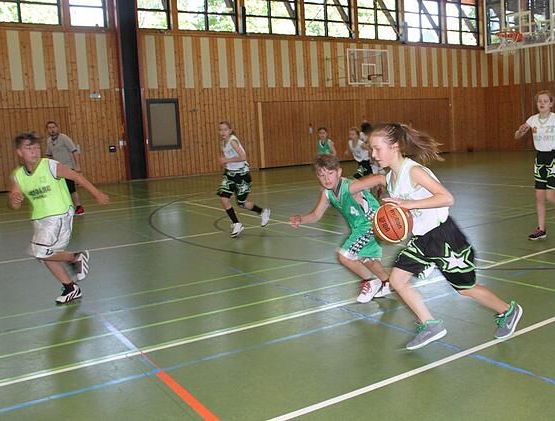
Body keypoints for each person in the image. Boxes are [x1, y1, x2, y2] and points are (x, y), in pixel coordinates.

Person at [358, 123, 523, 350]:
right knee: (396, 280)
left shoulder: (413, 171)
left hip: (445, 237)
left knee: (465, 289)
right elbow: (407, 215)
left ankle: (508, 310)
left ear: (394, 146)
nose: (373, 155)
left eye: (377, 149)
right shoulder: (391, 178)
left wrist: (409, 204)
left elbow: (446, 198)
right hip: (422, 239)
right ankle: (430, 325)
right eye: (371, 150)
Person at [8, 132, 109, 304]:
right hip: (40, 219)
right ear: (19, 153)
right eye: (29, 148)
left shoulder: (50, 165)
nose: (34, 151)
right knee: (46, 254)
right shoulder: (18, 175)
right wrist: (14, 199)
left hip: (59, 215)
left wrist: (97, 193)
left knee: (41, 251)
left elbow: (76, 176)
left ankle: (75, 257)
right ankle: (71, 288)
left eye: (37, 148)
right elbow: (15, 202)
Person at [289, 154, 391, 303]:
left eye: (330, 173)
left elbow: (378, 179)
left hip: (372, 224)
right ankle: (387, 282)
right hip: (359, 227)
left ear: (339, 172)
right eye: (322, 175)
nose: (326, 178)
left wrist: (397, 192)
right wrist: (301, 219)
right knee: (365, 258)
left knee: (345, 255)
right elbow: (316, 214)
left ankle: (370, 282)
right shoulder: (327, 193)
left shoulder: (350, 187)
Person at [515, 91, 555, 240]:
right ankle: (541, 229)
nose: (542, 103)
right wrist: (520, 131)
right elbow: (517, 136)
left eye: (545, 101)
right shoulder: (532, 120)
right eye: (539, 101)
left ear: (551, 103)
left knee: (550, 196)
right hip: (540, 158)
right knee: (539, 196)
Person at [216, 121, 270, 238]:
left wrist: (227, 161)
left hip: (242, 175)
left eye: (225, 129)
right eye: (221, 130)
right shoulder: (222, 142)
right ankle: (237, 223)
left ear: (230, 130)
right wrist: (224, 164)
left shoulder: (233, 141)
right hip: (230, 174)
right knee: (223, 198)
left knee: (241, 204)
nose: (222, 132)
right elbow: (225, 157)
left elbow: (243, 157)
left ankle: (262, 212)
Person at [45, 121, 85, 215]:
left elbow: (74, 151)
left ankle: (79, 207)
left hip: (68, 168)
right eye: (49, 128)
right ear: (47, 130)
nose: (52, 129)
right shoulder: (49, 141)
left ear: (57, 128)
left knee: (71, 189)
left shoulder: (64, 138)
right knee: (60, 189)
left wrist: (77, 165)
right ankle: (66, 207)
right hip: (57, 169)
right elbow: (48, 155)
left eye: (53, 127)